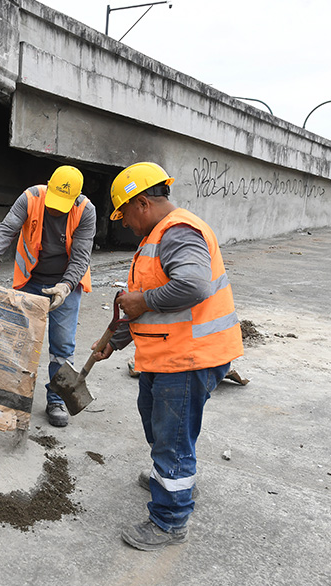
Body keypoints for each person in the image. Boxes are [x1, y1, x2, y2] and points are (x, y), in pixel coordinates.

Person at [92, 162, 243, 550]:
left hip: (190, 357)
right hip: (167, 354)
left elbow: (192, 285)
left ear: (141, 203)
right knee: (159, 426)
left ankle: (170, 520)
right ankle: (169, 478)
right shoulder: (155, 238)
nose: (123, 223)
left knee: (172, 440)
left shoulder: (178, 232)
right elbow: (152, 306)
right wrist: (116, 339)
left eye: (123, 213)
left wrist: (140, 300)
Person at [0, 165, 96, 428]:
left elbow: (81, 256)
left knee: (62, 346)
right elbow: (6, 229)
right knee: (19, 340)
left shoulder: (86, 211)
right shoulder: (31, 197)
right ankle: (14, 395)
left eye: (63, 206)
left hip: (65, 284)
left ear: (76, 198)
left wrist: (65, 287)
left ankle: (57, 399)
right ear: (48, 185)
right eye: (53, 202)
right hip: (32, 278)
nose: (55, 210)